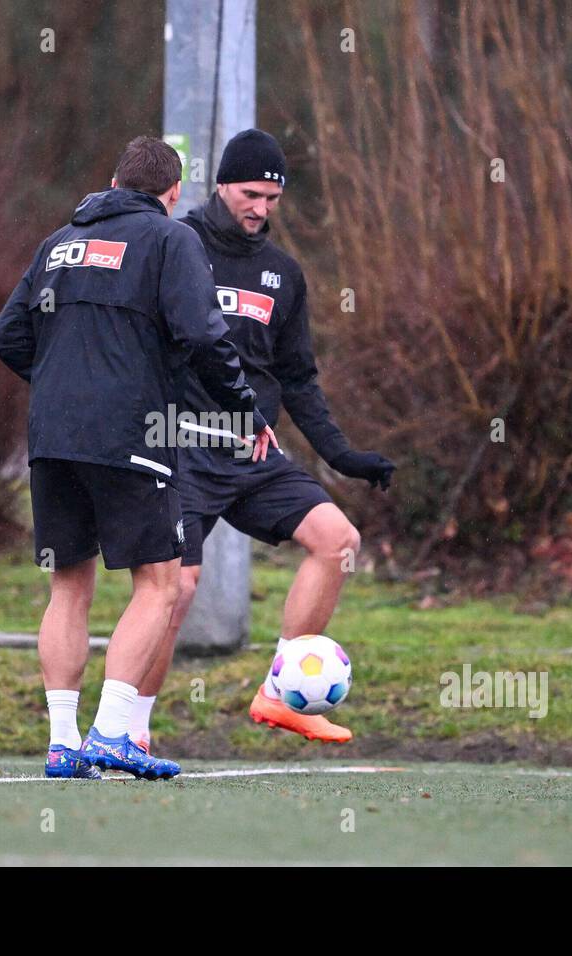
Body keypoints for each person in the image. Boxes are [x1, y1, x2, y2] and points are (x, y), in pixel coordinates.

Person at [0, 135, 275, 780]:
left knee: (69, 586)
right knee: (160, 582)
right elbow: (204, 334)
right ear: (171, 196)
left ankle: (62, 744)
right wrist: (246, 412)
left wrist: (67, 382)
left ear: (116, 181)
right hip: (132, 434)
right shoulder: (171, 240)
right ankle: (113, 732)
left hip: (54, 437)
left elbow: (7, 335)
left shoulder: (57, 242)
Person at [131, 129, 395, 750]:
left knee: (337, 542)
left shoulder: (283, 274)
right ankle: (128, 730)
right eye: (251, 194)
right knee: (179, 588)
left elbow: (297, 377)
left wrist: (340, 454)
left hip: (253, 453)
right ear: (221, 183)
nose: (261, 209)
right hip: (182, 449)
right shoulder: (178, 244)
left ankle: (280, 693)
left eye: (272, 199)